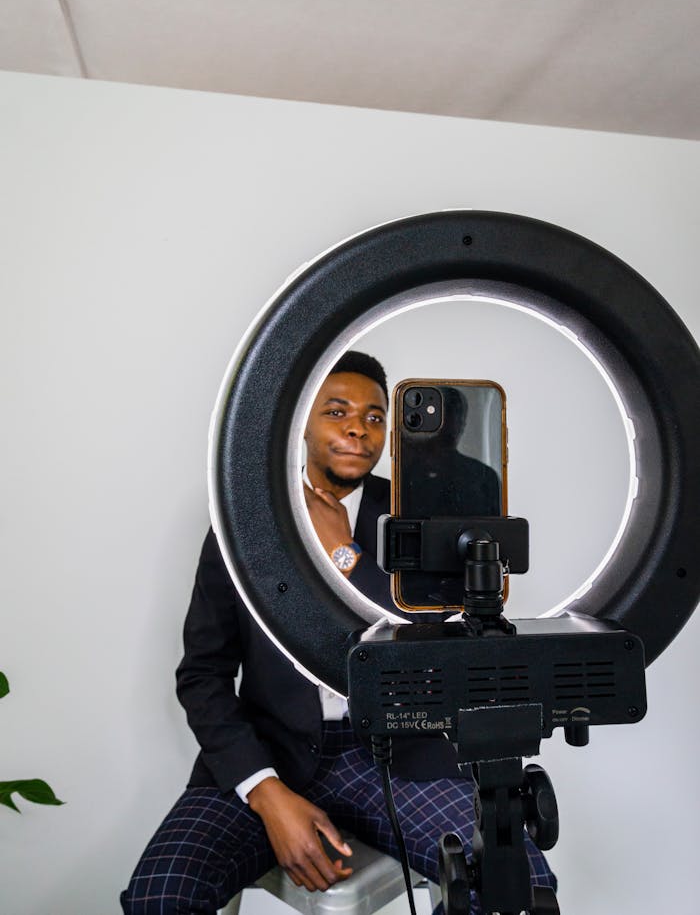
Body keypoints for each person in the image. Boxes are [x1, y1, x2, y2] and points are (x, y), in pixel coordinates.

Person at [121, 351, 555, 913]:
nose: (358, 427)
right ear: (301, 420)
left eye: (375, 417)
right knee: (161, 896)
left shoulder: (419, 518)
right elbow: (202, 674)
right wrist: (266, 792)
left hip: (403, 753)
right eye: (337, 410)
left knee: (516, 890)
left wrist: (343, 554)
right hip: (268, 753)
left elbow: (435, 642)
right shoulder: (242, 523)